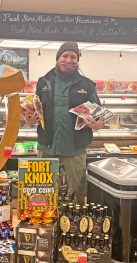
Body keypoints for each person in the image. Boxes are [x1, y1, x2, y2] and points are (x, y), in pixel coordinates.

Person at [24, 41, 104, 205]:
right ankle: (44, 227)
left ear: (77, 61)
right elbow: (32, 110)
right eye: (65, 56)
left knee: (77, 195)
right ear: (57, 58)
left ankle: (75, 226)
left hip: (74, 149)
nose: (69, 60)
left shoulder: (87, 85)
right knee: (41, 195)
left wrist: (97, 124)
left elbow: (99, 116)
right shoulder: (43, 82)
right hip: (46, 147)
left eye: (73, 57)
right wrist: (29, 119)